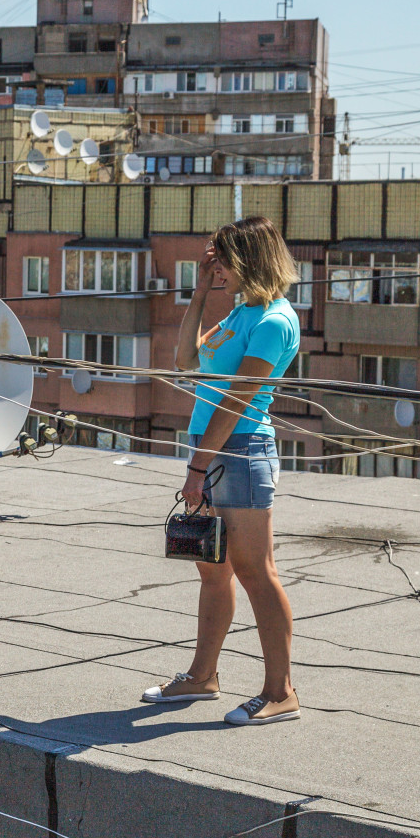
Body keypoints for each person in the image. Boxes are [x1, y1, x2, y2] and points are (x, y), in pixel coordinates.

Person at [142, 216, 301, 725]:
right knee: (213, 571)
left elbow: (237, 401)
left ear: (250, 259)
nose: (218, 267)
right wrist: (197, 294)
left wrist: (196, 467)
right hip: (210, 449)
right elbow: (186, 357)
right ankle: (202, 678)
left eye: (225, 259)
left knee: (257, 573)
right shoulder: (240, 311)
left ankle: (280, 692)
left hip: (239, 450)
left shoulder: (274, 321)